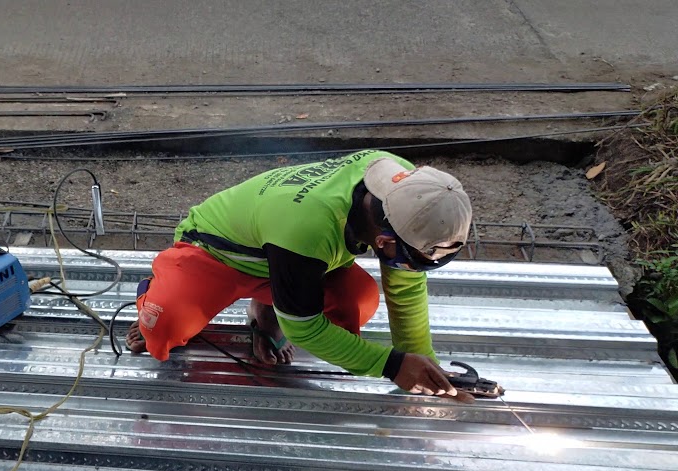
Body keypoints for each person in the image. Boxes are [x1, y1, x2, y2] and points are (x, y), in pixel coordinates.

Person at [127, 150, 474, 401]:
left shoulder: (409, 189)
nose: (412, 272)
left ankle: (267, 310)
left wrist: (424, 365)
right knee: (162, 330)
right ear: (383, 242)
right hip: (213, 254)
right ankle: (153, 297)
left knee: (358, 304)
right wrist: (391, 365)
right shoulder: (307, 226)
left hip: (286, 257)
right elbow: (305, 329)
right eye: (412, 261)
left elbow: (406, 290)